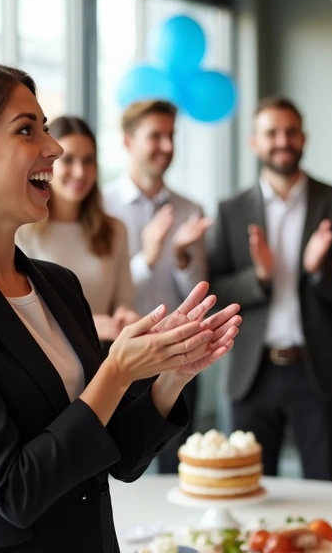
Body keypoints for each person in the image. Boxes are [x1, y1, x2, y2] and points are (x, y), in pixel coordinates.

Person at [0, 64, 240, 553]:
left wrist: (172, 377)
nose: (54, 148)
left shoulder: (58, 286)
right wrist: (116, 371)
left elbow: (118, 456)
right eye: (27, 130)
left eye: (46, 129)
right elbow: (14, 488)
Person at [207, 95, 332, 482]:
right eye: (271, 132)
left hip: (318, 369)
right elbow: (216, 293)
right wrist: (259, 276)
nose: (282, 141)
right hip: (251, 372)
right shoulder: (230, 209)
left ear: (303, 138)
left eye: (291, 132)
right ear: (254, 142)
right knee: (248, 487)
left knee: (326, 489)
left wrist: (318, 270)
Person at [102, 100, 211, 474]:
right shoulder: (101, 208)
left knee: (178, 464)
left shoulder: (190, 209)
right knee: (121, 462)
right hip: (120, 357)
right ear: (128, 141)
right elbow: (104, 293)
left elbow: (200, 292)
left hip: (179, 355)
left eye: (171, 136)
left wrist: (181, 257)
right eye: (155, 136)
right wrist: (146, 259)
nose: (166, 146)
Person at [15, 116, 137, 341]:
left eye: (88, 160)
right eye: (68, 160)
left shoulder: (115, 230)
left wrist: (125, 317)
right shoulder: (20, 232)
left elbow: (124, 302)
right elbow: (21, 317)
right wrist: (87, 326)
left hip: (106, 353)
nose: (80, 172)